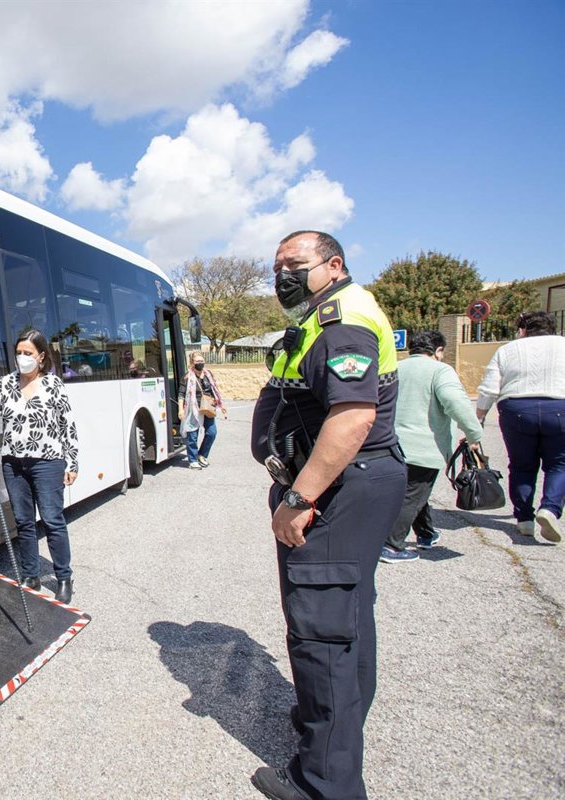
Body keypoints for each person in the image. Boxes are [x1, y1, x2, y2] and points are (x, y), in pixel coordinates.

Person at [249, 230, 405, 800]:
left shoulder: (342, 321)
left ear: (333, 264)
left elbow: (353, 418)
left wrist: (299, 499)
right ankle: (334, 729)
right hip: (346, 486)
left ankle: (324, 782)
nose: (282, 276)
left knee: (322, 631)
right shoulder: (322, 317)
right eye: (276, 267)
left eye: (295, 264)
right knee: (345, 618)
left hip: (337, 491)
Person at [0, 329, 80, 603]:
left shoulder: (53, 385)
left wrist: (73, 462)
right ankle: (31, 575)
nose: (22, 357)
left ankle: (63, 577)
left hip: (48, 463)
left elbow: (67, 425)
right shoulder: (6, 383)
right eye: (18, 352)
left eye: (28, 353)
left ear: (41, 356)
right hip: (13, 463)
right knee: (23, 521)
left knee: (52, 519)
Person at [380, 330, 484, 562]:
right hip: (423, 446)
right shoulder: (440, 370)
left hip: (389, 443)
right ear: (438, 350)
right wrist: (474, 434)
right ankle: (392, 546)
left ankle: (426, 533)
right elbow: (455, 401)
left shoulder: (394, 368)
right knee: (413, 494)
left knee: (416, 493)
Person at [476, 311, 565, 543]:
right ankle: (550, 509)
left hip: (516, 408)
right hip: (560, 406)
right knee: (560, 464)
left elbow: (489, 388)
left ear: (523, 330)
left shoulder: (508, 349)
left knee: (521, 465)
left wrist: (479, 417)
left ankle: (524, 519)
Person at [181, 350, 227, 469]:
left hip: (208, 407)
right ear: (192, 363)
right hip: (194, 408)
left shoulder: (208, 375)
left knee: (212, 432)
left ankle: (201, 455)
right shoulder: (187, 377)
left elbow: (214, 390)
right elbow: (181, 394)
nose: (200, 363)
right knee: (192, 434)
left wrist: (220, 405)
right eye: (197, 361)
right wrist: (180, 410)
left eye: (201, 361)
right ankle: (192, 460)